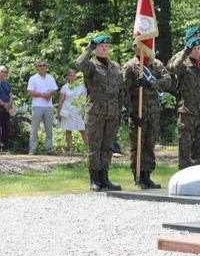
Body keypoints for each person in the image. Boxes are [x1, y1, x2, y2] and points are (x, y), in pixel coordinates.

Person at [75, 35, 123, 191]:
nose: (105, 48)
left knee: (108, 146)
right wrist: (88, 48)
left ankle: (105, 177)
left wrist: (121, 110)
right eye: (101, 46)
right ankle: (94, 178)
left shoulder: (115, 66)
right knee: (95, 147)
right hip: (96, 111)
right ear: (96, 48)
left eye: (107, 46)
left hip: (112, 112)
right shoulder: (91, 66)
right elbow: (79, 64)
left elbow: (120, 90)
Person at [122, 42, 173, 188]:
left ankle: (147, 175)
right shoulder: (130, 66)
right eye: (139, 46)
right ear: (135, 48)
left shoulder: (156, 64)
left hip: (153, 112)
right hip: (138, 112)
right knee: (137, 145)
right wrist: (131, 113)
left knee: (150, 145)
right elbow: (124, 92)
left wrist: (150, 83)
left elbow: (167, 82)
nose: (142, 49)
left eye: (145, 45)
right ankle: (137, 176)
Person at [171, 37, 200, 169]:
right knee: (185, 145)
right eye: (194, 49)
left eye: (199, 48)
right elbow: (174, 68)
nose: (197, 51)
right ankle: (184, 173)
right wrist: (185, 52)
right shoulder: (184, 66)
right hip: (187, 111)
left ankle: (198, 173)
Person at [27, 59, 58, 155]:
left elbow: (55, 91)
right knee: (34, 129)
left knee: (49, 129)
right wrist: (42, 95)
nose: (42, 67)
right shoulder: (33, 78)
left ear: (46, 67)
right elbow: (30, 92)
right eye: (40, 65)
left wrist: (50, 93)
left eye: (44, 65)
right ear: (37, 67)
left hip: (48, 106)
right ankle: (32, 150)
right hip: (37, 105)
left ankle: (49, 149)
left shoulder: (51, 78)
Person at [57, 69, 88, 153]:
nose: (72, 77)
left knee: (83, 130)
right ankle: (70, 149)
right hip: (67, 110)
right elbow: (61, 100)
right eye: (70, 75)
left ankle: (89, 149)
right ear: (68, 77)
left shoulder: (81, 87)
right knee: (68, 130)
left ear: (76, 76)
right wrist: (59, 113)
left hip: (78, 110)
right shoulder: (65, 87)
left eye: (74, 75)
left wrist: (83, 111)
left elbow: (83, 100)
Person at [0, 66, 13, 152]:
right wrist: (4, 104)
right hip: (0, 109)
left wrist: (9, 103)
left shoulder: (7, 84)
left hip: (7, 110)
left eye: (5, 72)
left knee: (6, 128)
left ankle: (5, 147)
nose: (4, 73)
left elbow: (11, 95)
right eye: (2, 72)